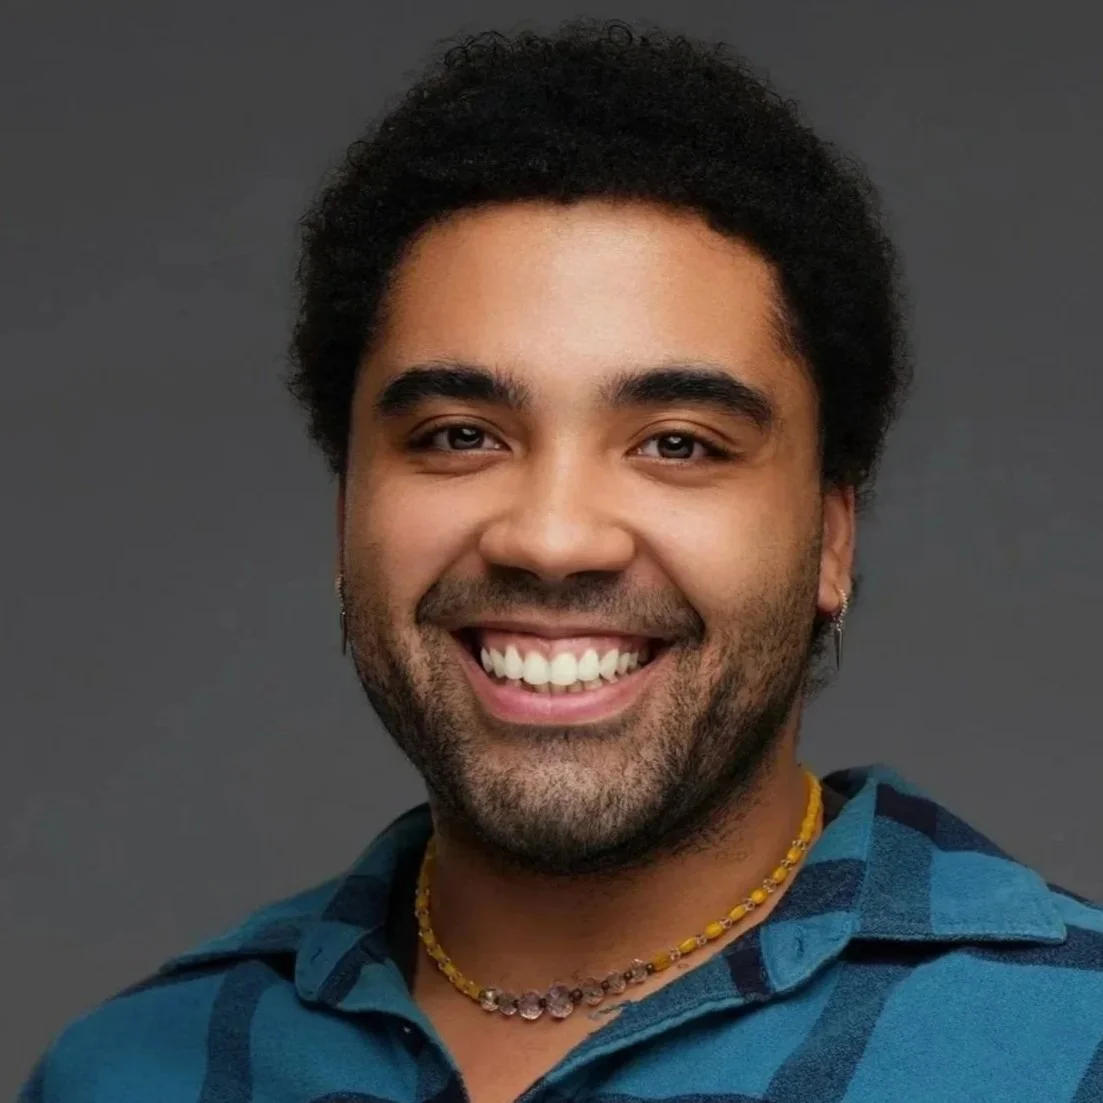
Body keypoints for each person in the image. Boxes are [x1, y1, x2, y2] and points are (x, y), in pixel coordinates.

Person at [21, 19, 1103, 1103]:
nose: (549, 536)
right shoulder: (128, 1072)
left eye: (676, 443)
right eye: (458, 435)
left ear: (829, 538)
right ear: (348, 505)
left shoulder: (1069, 1045)